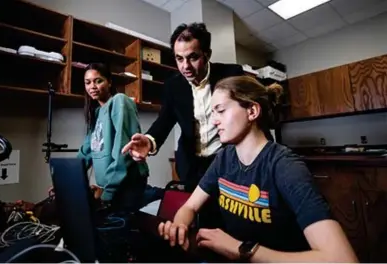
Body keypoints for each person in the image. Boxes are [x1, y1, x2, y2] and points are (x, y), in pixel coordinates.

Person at [157, 76, 358, 262]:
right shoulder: (224, 159)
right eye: (212, 113)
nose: (213, 120)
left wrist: (243, 249)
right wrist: (180, 225)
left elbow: (341, 259)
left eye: (220, 110)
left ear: (252, 111)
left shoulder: (285, 166)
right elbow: (190, 207)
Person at [122, 22, 245, 193]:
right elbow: (164, 120)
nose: (185, 66)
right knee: (196, 214)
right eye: (179, 59)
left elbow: (249, 116)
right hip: (191, 166)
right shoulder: (173, 86)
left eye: (193, 57)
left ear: (207, 54)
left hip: (227, 160)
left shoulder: (231, 74)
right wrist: (149, 141)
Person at [76, 62, 149, 214]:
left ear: (109, 82)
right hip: (109, 188)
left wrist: (107, 192)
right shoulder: (96, 114)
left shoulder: (119, 101)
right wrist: (66, 183)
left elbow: (123, 150)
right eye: (87, 82)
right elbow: (86, 152)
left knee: (120, 232)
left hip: (126, 186)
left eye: (98, 81)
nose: (92, 87)